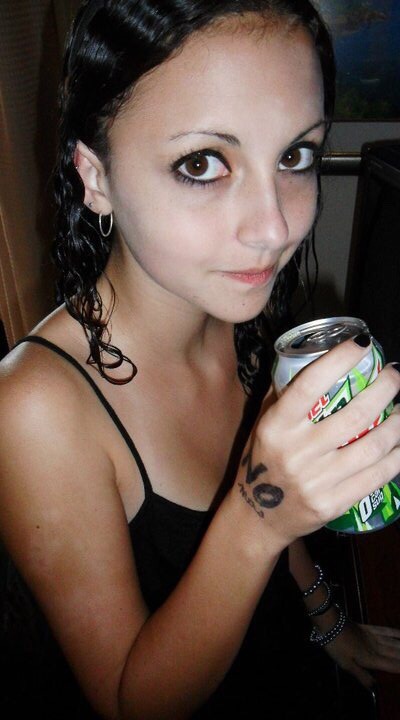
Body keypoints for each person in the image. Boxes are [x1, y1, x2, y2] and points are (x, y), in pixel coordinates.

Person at [1, 1, 400, 718]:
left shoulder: (228, 307)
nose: (274, 227)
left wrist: (329, 624)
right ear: (95, 177)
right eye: (201, 163)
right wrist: (261, 517)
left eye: (295, 156)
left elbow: (265, 506)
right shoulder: (33, 410)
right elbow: (130, 703)